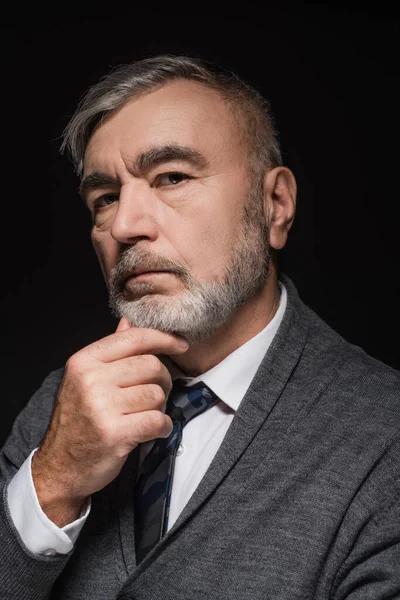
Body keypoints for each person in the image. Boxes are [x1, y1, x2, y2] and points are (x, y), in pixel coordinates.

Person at [0, 54, 399, 600]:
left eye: (171, 177)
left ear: (275, 205)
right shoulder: (60, 409)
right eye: (105, 197)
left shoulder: (385, 438)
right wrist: (54, 480)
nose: (125, 225)